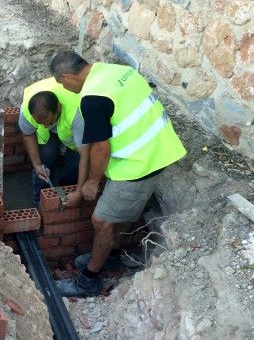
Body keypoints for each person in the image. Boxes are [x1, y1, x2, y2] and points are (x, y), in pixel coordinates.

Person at [50, 51, 186, 297]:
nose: (65, 89)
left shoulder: (93, 98)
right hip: (160, 146)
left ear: (67, 77)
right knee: (117, 216)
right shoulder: (118, 71)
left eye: (62, 84)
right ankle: (111, 255)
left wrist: (92, 182)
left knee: (101, 221)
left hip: (140, 163)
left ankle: (89, 281)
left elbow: (101, 146)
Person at [19, 77, 89, 206]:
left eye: (50, 122)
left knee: (74, 164)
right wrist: (37, 165)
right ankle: (40, 200)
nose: (46, 126)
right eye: (41, 124)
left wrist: (78, 192)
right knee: (46, 159)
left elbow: (85, 155)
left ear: (58, 108)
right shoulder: (27, 112)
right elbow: (28, 135)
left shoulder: (77, 113)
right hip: (55, 126)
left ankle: (65, 190)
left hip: (72, 131)